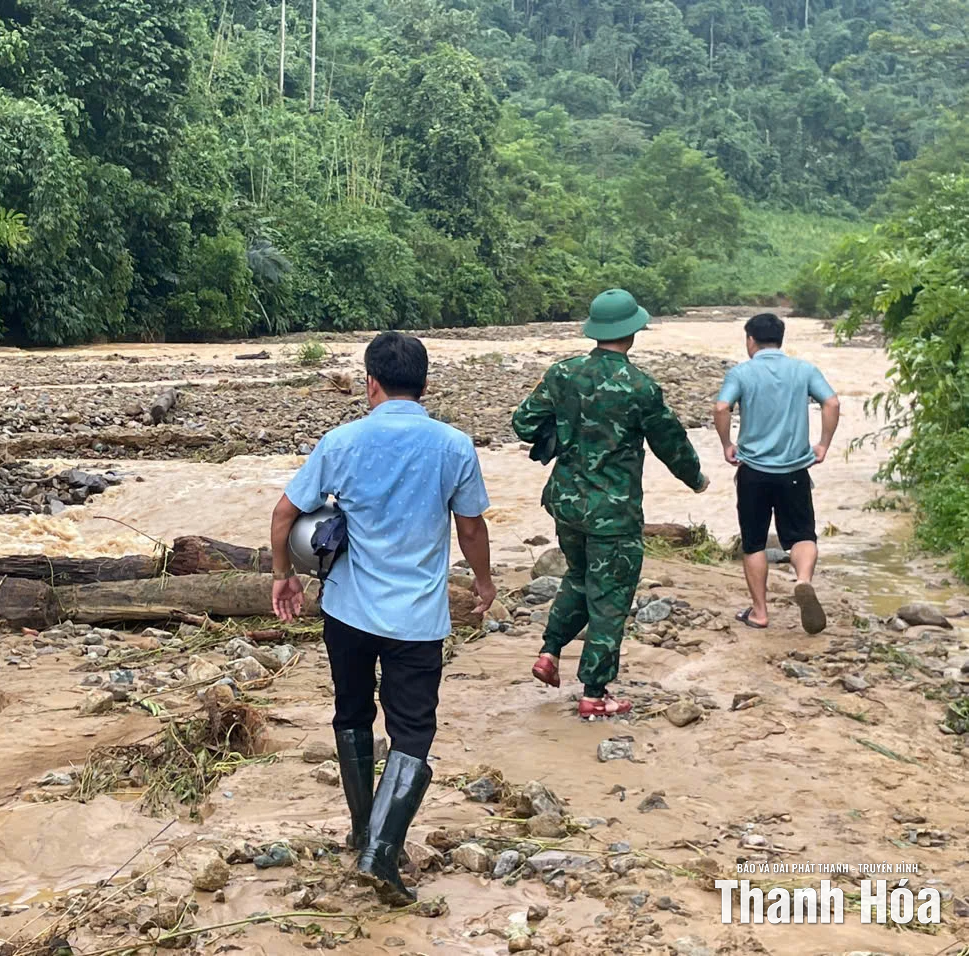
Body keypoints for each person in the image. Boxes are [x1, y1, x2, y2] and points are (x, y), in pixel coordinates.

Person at [269, 331, 494, 906]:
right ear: (424, 384)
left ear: (370, 382)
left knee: (351, 711)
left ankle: (362, 829)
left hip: (348, 609)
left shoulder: (342, 441)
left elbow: (285, 513)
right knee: (412, 729)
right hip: (417, 617)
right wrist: (485, 581)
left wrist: (283, 575)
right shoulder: (453, 446)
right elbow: (470, 528)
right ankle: (381, 851)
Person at [512, 289, 708, 718]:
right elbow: (671, 444)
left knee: (579, 578)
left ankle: (549, 652)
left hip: (566, 505)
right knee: (610, 600)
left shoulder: (562, 373)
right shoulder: (641, 388)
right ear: (633, 331)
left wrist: (561, 433)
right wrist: (697, 480)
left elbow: (523, 422)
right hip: (613, 515)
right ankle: (594, 694)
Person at [713, 312, 840, 634]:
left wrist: (727, 444)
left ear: (750, 340)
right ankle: (803, 580)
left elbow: (720, 408)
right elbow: (832, 403)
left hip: (753, 471)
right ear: (780, 340)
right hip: (795, 469)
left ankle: (759, 613)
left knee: (755, 543)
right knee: (802, 535)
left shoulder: (741, 373)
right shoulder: (804, 369)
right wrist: (822, 445)